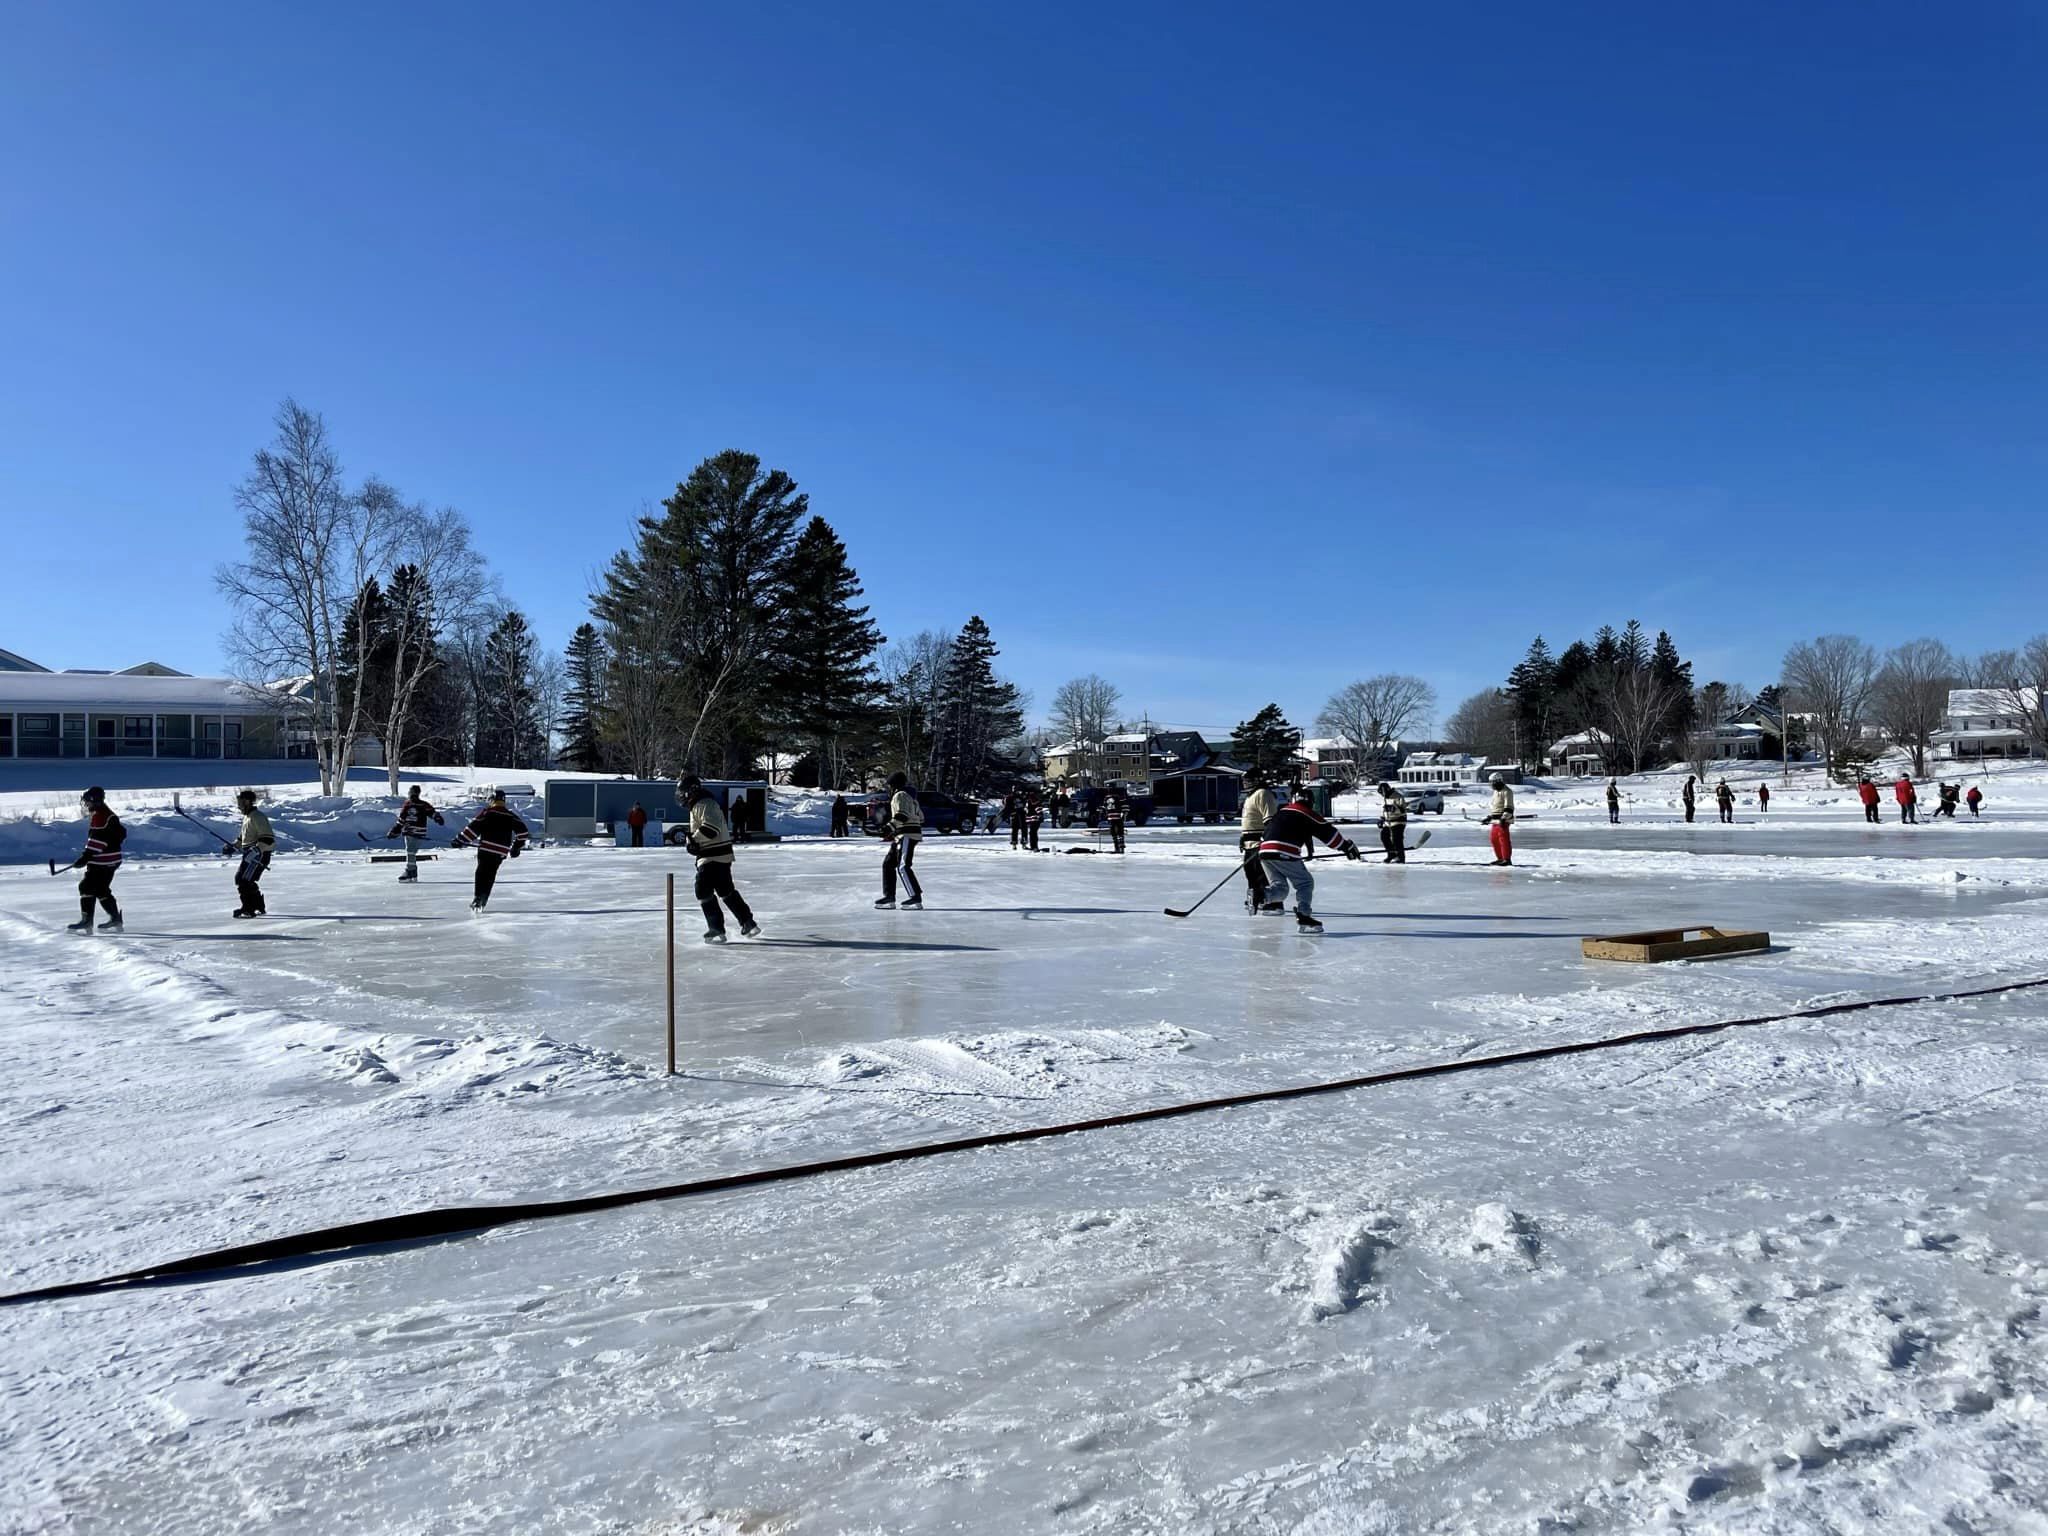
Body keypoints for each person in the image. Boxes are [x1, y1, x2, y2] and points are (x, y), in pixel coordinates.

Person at [1256, 786, 1361, 933]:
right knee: (1305, 883)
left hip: (1264, 852)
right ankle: (1304, 917)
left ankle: (1260, 896)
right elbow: (1329, 835)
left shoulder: (1282, 812)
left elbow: (1266, 833)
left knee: (1280, 888)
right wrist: (1346, 847)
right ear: (1310, 801)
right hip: (1284, 851)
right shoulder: (1307, 813)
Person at [681, 774, 758, 943]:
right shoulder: (700, 804)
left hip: (712, 856)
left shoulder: (704, 804)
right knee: (725, 890)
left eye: (683, 792)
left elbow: (711, 828)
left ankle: (716, 928)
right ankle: (748, 922)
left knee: (702, 890)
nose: (681, 796)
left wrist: (693, 840)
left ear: (691, 791)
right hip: (718, 855)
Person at [455, 789, 529, 912]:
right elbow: (523, 832)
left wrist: (460, 840)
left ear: (492, 800)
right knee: (491, 874)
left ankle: (478, 897)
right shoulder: (510, 815)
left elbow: (473, 828)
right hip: (500, 851)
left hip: (486, 848)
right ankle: (484, 898)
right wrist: (516, 847)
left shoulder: (487, 812)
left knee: (481, 873)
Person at [64, 786, 124, 933]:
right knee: (101, 889)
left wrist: (85, 857)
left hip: (102, 861)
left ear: (94, 801)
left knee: (86, 887)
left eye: (87, 801)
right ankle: (115, 919)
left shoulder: (101, 816)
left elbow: (98, 840)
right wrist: (87, 856)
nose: (86, 804)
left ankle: (86, 921)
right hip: (111, 859)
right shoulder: (105, 813)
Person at [222, 788, 277, 918]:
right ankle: (257, 905)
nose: (238, 806)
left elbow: (268, 839)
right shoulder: (248, 817)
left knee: (243, 880)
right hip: (250, 854)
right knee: (243, 879)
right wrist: (232, 847)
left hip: (259, 855)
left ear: (247, 802)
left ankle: (248, 908)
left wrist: (257, 850)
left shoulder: (258, 817)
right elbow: (242, 839)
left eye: (240, 802)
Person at [876, 771, 924, 909]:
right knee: (888, 864)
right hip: (903, 835)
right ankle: (889, 897)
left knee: (903, 866)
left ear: (894, 785)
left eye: (890, 785)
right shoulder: (911, 797)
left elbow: (902, 815)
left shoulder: (900, 795)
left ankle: (915, 898)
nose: (889, 788)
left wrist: (888, 828)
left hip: (906, 835)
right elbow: (921, 817)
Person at [388, 785, 444, 882]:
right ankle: (412, 872)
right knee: (411, 852)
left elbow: (402, 820)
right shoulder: (418, 804)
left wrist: (396, 829)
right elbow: (402, 819)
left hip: (413, 832)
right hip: (416, 832)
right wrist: (396, 830)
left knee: (410, 851)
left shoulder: (413, 804)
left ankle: (410, 872)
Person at [1239, 776, 1278, 912]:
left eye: (1248, 780)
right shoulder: (1250, 796)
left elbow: (1270, 819)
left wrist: (1266, 839)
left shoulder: (1263, 794)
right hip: (1249, 843)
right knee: (1250, 872)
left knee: (1263, 874)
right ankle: (1256, 898)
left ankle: (1273, 903)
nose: (1244, 783)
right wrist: (1243, 837)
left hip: (1259, 843)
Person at [1481, 773, 1516, 865]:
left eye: (1492, 782)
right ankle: (1500, 858)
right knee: (1494, 839)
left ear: (1497, 781)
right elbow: (1496, 808)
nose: (1491, 785)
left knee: (1503, 839)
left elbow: (1509, 807)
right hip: (1495, 820)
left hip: (1503, 820)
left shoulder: (1507, 791)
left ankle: (1506, 859)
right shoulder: (1496, 792)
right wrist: (1489, 818)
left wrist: (1504, 818)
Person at [1377, 781, 1408, 863]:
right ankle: (1391, 853)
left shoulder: (1398, 796)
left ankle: (1401, 857)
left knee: (1396, 838)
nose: (1382, 795)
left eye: (1382, 793)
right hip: (1388, 822)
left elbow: (1404, 810)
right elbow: (1385, 810)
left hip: (1398, 821)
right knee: (1384, 836)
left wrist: (1394, 809)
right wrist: (1382, 819)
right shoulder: (1385, 798)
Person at [1103, 785, 1128, 853]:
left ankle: (1118, 847)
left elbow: (1104, 807)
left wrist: (1103, 813)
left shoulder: (1108, 798)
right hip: (1115, 817)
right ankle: (1119, 847)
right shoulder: (1118, 797)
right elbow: (1124, 805)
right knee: (1118, 833)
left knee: (1115, 833)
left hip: (1113, 817)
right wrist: (1125, 813)